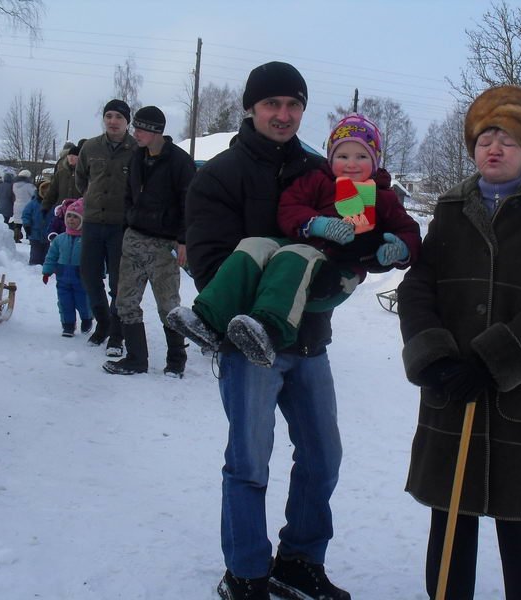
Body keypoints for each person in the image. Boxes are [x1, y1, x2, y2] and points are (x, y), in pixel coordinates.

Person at [396, 85, 521, 600]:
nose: (494, 148)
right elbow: (418, 287)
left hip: (519, 393)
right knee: (450, 520)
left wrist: (494, 359)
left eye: (506, 138)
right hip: (452, 388)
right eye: (484, 138)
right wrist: (433, 359)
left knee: (520, 524)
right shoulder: (453, 210)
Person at [184, 61, 352, 600]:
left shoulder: (322, 171)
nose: (283, 114)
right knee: (250, 461)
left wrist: (359, 258)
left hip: (310, 342)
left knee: (323, 456)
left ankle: (299, 562)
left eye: (293, 104)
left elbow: (349, 239)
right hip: (248, 348)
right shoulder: (219, 175)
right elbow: (209, 267)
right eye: (272, 104)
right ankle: (247, 572)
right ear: (251, 109)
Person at [168, 113, 421, 368]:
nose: (351, 164)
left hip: (337, 270)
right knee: (255, 245)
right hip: (301, 245)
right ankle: (209, 319)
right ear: (331, 157)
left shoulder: (382, 196)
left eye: (362, 157)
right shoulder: (318, 180)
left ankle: (271, 329)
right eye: (343, 156)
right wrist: (317, 223)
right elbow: (289, 207)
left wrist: (399, 248)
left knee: (295, 256)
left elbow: (408, 230)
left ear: (375, 161)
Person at [102, 106, 196, 378]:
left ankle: (176, 361)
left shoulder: (179, 161)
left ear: (156, 131)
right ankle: (135, 359)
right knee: (126, 301)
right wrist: (128, 225)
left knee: (168, 305)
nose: (136, 133)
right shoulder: (136, 157)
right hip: (134, 239)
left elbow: (189, 203)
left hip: (164, 244)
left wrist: (183, 240)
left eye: (141, 129)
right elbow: (128, 196)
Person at [75, 99, 136, 356]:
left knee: (118, 283)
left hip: (120, 226)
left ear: (127, 122)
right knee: (89, 276)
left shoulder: (136, 149)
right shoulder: (90, 147)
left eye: (119, 117)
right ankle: (103, 323)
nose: (113, 121)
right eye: (109, 116)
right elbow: (81, 180)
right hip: (91, 223)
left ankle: (117, 335)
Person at [42, 198, 93, 337]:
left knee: (83, 302)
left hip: (81, 278)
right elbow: (51, 256)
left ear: (83, 220)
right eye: (68, 216)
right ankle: (68, 326)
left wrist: (99, 272)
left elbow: (96, 258)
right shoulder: (60, 239)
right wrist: (47, 271)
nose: (71, 220)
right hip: (63, 276)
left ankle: (87, 319)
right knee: (65, 303)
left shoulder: (88, 240)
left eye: (75, 217)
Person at [42, 143, 81, 214]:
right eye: (69, 156)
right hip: (61, 210)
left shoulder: (84, 173)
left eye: (74, 156)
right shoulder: (61, 173)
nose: (71, 158)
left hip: (78, 211)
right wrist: (45, 206)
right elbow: (52, 191)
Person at [21, 183, 51, 265]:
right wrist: (27, 225)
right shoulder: (33, 204)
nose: (46, 192)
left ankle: (46, 268)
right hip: (35, 234)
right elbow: (25, 215)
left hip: (49, 235)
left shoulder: (53, 204)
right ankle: (33, 269)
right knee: (36, 254)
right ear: (39, 191)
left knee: (48, 255)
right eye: (44, 189)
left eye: (49, 190)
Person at [10, 169, 36, 243]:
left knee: (18, 223)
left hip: (17, 205)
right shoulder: (29, 186)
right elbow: (34, 194)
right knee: (28, 223)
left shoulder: (14, 185)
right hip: (27, 206)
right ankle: (31, 238)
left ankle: (16, 237)